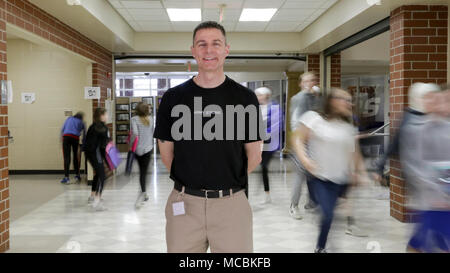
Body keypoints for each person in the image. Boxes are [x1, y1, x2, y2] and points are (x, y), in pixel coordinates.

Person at [154, 21, 262, 253]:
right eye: (202, 44)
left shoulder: (246, 98)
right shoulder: (173, 98)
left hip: (232, 205)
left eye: (216, 43)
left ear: (226, 49)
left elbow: (254, 155)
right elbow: (167, 155)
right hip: (184, 205)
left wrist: (222, 184)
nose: (209, 50)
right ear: (193, 50)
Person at [292, 88, 370, 253]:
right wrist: (305, 160)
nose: (349, 103)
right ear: (332, 100)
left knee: (333, 216)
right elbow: (297, 139)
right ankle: (320, 248)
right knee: (328, 215)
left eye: (350, 100)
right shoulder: (314, 118)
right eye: (344, 99)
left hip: (341, 179)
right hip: (320, 178)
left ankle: (331, 240)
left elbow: (354, 153)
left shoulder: (348, 127)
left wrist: (361, 173)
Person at [398, 84, 450, 253]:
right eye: (445, 100)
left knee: (425, 241)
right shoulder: (417, 129)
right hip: (432, 200)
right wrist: (439, 191)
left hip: (444, 199)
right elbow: (416, 167)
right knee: (426, 242)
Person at [288, 72, 322, 219]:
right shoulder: (300, 98)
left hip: (312, 141)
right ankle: (293, 206)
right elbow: (301, 122)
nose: (310, 83)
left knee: (312, 173)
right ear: (301, 83)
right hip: (301, 141)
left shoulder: (313, 97)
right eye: (307, 81)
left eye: (313, 80)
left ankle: (312, 203)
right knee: (301, 174)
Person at [254, 86, 281, 204]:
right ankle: (261, 187)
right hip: (259, 142)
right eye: (257, 95)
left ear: (266, 95)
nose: (258, 97)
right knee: (261, 166)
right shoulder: (256, 108)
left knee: (264, 166)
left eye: (260, 95)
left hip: (270, 143)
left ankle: (267, 194)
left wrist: (264, 134)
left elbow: (276, 126)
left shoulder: (274, 107)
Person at [85, 108, 110, 211]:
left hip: (89, 154)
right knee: (102, 176)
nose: (107, 116)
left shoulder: (92, 126)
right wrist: (108, 161)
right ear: (101, 116)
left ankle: (92, 195)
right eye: (106, 114)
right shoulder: (103, 128)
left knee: (97, 174)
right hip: (96, 153)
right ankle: (97, 200)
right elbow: (103, 147)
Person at [130, 102, 154, 208]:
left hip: (138, 150)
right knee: (145, 172)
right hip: (148, 149)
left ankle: (143, 192)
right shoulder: (151, 119)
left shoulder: (134, 119)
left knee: (141, 172)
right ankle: (143, 192)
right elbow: (153, 133)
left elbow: (135, 133)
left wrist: (131, 144)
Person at [60, 112, 85, 184]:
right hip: (75, 138)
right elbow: (84, 132)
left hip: (66, 137)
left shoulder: (69, 119)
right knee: (75, 157)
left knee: (66, 157)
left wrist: (61, 140)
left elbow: (62, 129)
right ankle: (77, 175)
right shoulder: (82, 122)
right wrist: (83, 143)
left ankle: (66, 177)